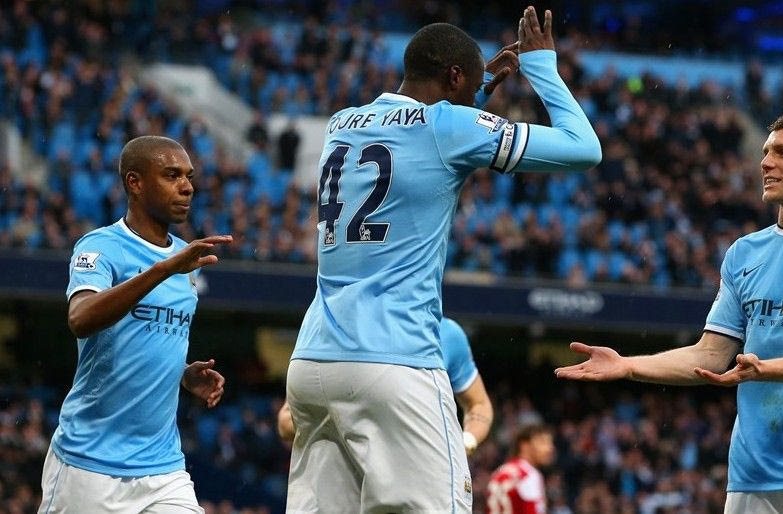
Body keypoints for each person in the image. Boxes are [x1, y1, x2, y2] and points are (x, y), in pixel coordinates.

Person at [286, 6, 600, 513]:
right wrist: (541, 67)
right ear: (454, 77)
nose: (476, 97)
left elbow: (414, 138)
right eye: (470, 85)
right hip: (395, 361)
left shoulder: (342, 123)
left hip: (313, 363)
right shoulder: (451, 125)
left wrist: (476, 95)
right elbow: (583, 148)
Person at [556, 115, 783, 513]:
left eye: (782, 152)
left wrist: (764, 369)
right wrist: (628, 365)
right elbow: (710, 355)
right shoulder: (743, 253)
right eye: (765, 152)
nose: (766, 162)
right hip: (753, 470)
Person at [39, 136, 232, 513]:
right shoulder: (101, 247)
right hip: (90, 464)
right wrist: (161, 271)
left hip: (163, 467)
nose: (187, 187)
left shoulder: (185, 257)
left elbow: (146, 334)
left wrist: (181, 373)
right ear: (135, 182)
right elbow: (80, 318)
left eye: (189, 176)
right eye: (172, 175)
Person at [279, 316, 494, 456]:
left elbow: (480, 404)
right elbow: (286, 421)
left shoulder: (446, 333)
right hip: (346, 477)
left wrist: (464, 442)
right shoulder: (338, 326)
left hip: (416, 477)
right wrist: (351, 423)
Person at [486, 424, 555, 514]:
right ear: (525, 445)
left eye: (550, 443)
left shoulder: (500, 471)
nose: (549, 448)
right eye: (542, 442)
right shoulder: (529, 475)